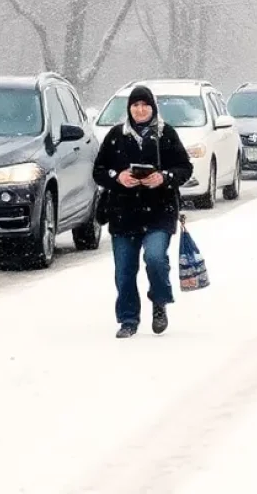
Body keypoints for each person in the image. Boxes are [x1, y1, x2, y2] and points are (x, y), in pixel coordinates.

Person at [92, 85, 193, 338]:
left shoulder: (166, 134)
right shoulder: (116, 136)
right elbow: (99, 171)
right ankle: (128, 319)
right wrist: (118, 177)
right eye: (135, 105)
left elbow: (185, 168)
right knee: (124, 271)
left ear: (153, 108)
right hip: (123, 213)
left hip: (159, 211)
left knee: (156, 258)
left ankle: (159, 302)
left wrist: (164, 177)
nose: (139, 110)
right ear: (129, 109)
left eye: (144, 105)